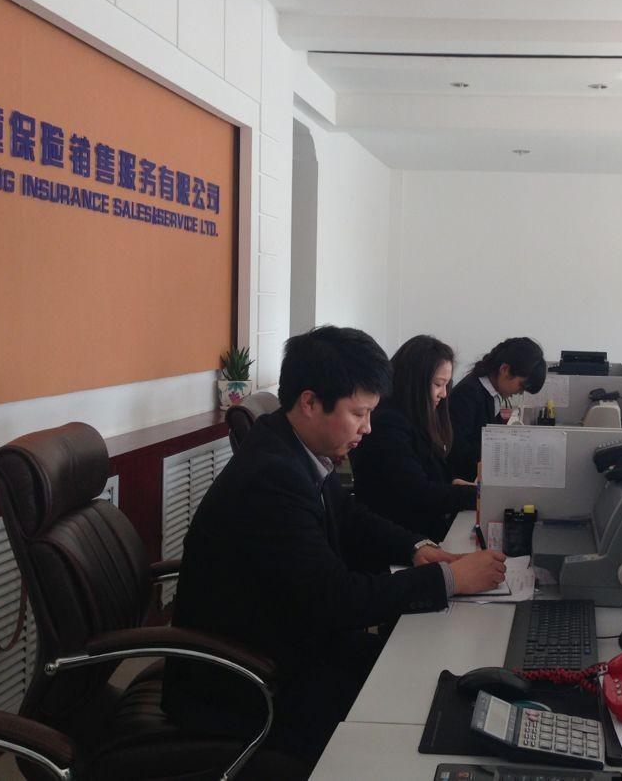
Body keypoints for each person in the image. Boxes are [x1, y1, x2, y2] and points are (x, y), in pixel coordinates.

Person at [162, 326, 506, 766]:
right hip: (248, 682)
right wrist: (449, 578)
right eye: (359, 413)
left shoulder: (291, 446)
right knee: (414, 712)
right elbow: (337, 599)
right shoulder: (271, 477)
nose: (368, 427)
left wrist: (417, 548)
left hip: (289, 643)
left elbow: (349, 516)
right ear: (310, 402)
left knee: (428, 676)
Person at [350, 335, 478, 542]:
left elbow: (424, 471)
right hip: (399, 537)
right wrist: (477, 495)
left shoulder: (414, 417)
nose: (444, 394)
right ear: (414, 382)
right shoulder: (388, 424)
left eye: (447, 385)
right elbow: (417, 491)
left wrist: (452, 483)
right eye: (438, 384)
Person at [447, 336, 547, 481]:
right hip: (464, 481)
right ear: (505, 369)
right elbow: (459, 449)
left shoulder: (490, 392)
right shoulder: (467, 394)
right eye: (521, 386)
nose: (520, 393)